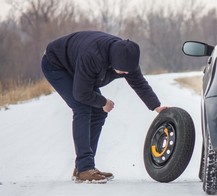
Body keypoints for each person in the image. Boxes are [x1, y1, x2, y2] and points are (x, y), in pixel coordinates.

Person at [41, 31, 167, 184]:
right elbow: (81, 93)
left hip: (77, 65)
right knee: (82, 107)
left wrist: (156, 106)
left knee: (98, 113)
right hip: (56, 64)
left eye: (128, 71)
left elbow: (139, 83)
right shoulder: (93, 56)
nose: (126, 73)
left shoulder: (127, 57)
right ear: (113, 61)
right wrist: (103, 102)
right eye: (122, 71)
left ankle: (84, 167)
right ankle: (85, 168)